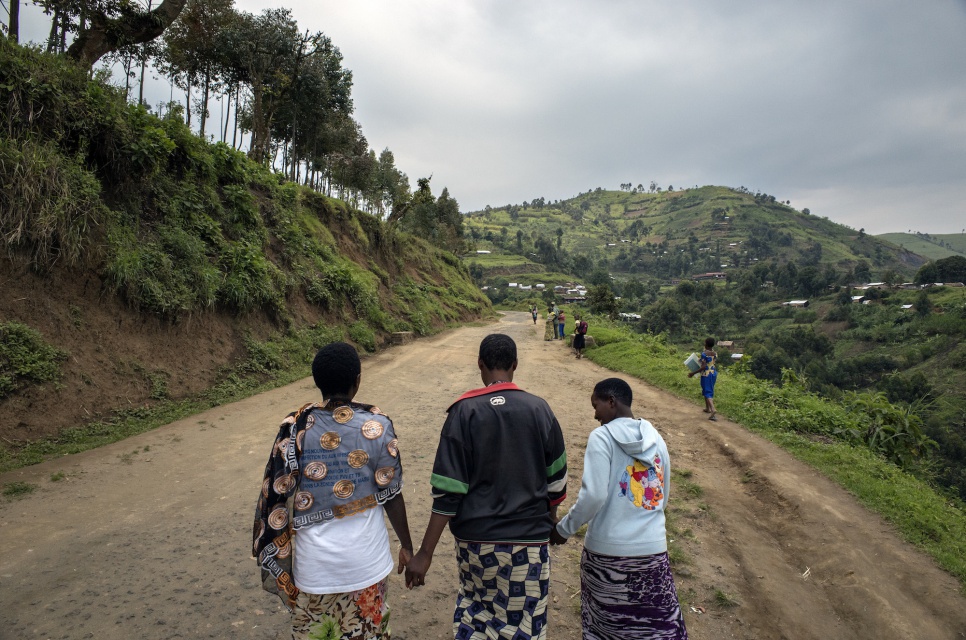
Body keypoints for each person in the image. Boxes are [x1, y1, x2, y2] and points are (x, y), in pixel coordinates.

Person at [405, 333, 568, 640]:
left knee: (476, 612)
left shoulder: (463, 411)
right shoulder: (540, 409)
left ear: (479, 364)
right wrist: (550, 519)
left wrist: (425, 553)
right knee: (524, 623)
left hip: (476, 544)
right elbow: (557, 482)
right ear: (515, 365)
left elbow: (448, 492)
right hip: (528, 543)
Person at [253, 342, 414, 640]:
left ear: (318, 383)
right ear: (357, 381)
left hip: (313, 570)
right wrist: (407, 546)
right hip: (367, 564)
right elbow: (391, 495)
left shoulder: (293, 428)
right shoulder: (378, 426)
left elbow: (277, 494)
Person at [551, 378, 688, 640]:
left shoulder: (601, 437)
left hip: (607, 555)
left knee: (609, 627)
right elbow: (663, 496)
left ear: (611, 402)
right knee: (655, 628)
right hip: (653, 552)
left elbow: (594, 496)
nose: (594, 414)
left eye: (596, 405)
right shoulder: (656, 439)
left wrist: (563, 529)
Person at [687, 337, 718, 421]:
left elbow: (704, 366)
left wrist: (693, 373)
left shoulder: (704, 353)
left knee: (707, 391)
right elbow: (710, 362)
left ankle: (713, 409)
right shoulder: (714, 353)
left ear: (706, 344)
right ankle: (707, 408)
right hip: (713, 373)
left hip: (706, 374)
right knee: (708, 389)